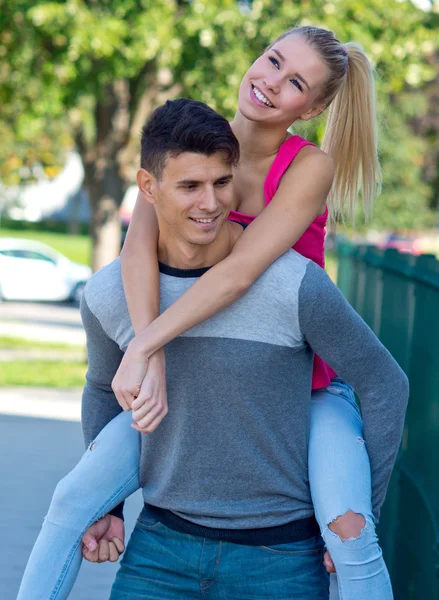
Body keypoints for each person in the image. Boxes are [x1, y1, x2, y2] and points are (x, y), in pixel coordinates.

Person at [16, 26, 396, 599]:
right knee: (73, 500)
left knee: (351, 537)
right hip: (200, 361)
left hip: (307, 383)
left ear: (313, 108)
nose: (269, 81)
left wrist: (145, 347)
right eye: (272, 60)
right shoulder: (195, 137)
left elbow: (241, 272)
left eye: (294, 83)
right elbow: (136, 250)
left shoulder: (307, 166)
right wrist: (153, 349)